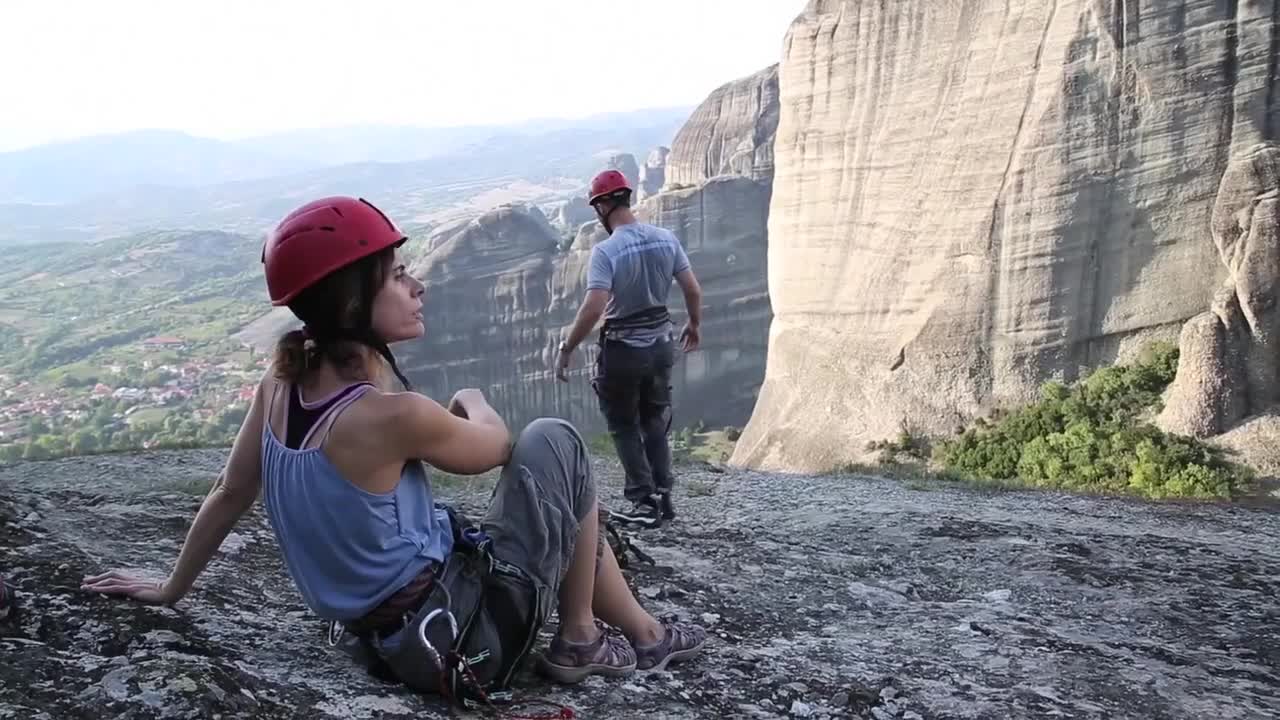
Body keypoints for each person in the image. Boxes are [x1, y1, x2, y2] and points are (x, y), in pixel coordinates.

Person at [80, 196, 705, 695]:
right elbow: (496, 447)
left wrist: (171, 586)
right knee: (557, 441)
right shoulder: (390, 415)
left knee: (552, 504)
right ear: (353, 300)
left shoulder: (280, 385)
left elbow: (230, 490)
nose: (418, 287)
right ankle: (580, 639)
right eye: (400, 276)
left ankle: (645, 632)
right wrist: (473, 400)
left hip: (384, 639)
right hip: (461, 643)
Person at [555, 170, 703, 529]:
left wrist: (567, 347)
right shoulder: (665, 238)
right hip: (662, 343)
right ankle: (664, 495)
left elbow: (594, 307)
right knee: (654, 419)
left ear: (602, 206)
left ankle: (643, 500)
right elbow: (692, 289)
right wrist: (694, 324)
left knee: (623, 424)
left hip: (623, 350)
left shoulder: (606, 251)